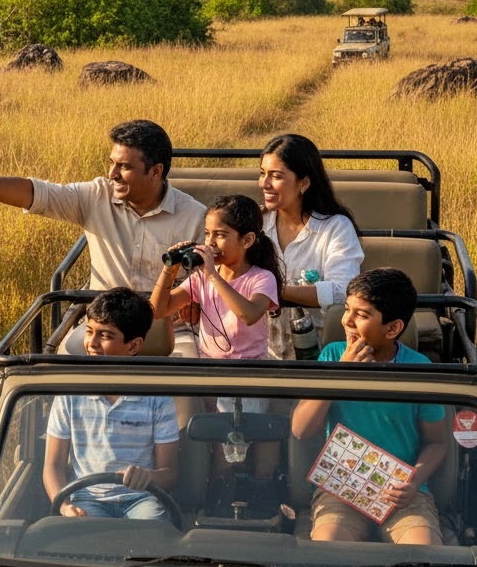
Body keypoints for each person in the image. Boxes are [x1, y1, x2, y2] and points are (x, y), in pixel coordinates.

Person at [0, 119, 207, 356]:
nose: (112, 174)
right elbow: (35, 193)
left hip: (170, 330)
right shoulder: (96, 196)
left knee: (193, 380)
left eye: (125, 167)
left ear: (156, 171)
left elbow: (213, 280)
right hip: (102, 325)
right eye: (112, 163)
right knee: (64, 364)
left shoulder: (194, 217)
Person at [290, 268, 447, 545]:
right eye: (347, 309)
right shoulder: (332, 356)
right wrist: (340, 374)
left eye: (361, 315)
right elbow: (301, 429)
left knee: (424, 551)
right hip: (341, 491)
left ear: (393, 328)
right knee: (328, 548)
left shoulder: (420, 369)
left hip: (403, 495)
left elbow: (437, 443)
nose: (347, 321)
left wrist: (412, 483)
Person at [43, 288, 180, 519]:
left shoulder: (157, 397)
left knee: (153, 529)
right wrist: (65, 506)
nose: (92, 343)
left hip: (141, 498)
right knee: (86, 540)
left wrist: (148, 476)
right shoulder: (69, 392)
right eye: (89, 332)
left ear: (134, 346)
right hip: (86, 498)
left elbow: (170, 473)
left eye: (105, 336)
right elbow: (53, 466)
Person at [150, 194, 282, 377]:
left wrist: (212, 275)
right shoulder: (201, 278)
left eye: (220, 235)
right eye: (207, 233)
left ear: (247, 240)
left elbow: (249, 315)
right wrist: (169, 270)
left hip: (250, 374)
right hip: (209, 371)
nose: (210, 242)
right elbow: (158, 310)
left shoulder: (262, 278)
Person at [258, 133, 364, 360]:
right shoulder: (256, 224)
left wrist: (271, 291)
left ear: (304, 182)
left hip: (318, 350)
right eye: (262, 174)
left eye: (276, 176)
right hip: (258, 348)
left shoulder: (336, 227)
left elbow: (342, 290)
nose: (264, 184)